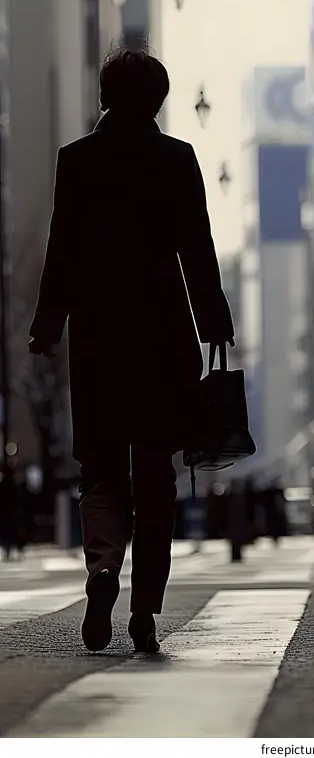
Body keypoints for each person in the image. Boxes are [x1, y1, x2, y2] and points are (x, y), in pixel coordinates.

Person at [29, 49, 234, 653]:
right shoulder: (176, 159)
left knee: (101, 470)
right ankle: (145, 609)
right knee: (155, 478)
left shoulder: (78, 161)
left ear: (104, 95)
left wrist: (47, 325)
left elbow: (60, 249)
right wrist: (213, 324)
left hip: (98, 337)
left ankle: (101, 567)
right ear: (160, 100)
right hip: (162, 336)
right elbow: (197, 246)